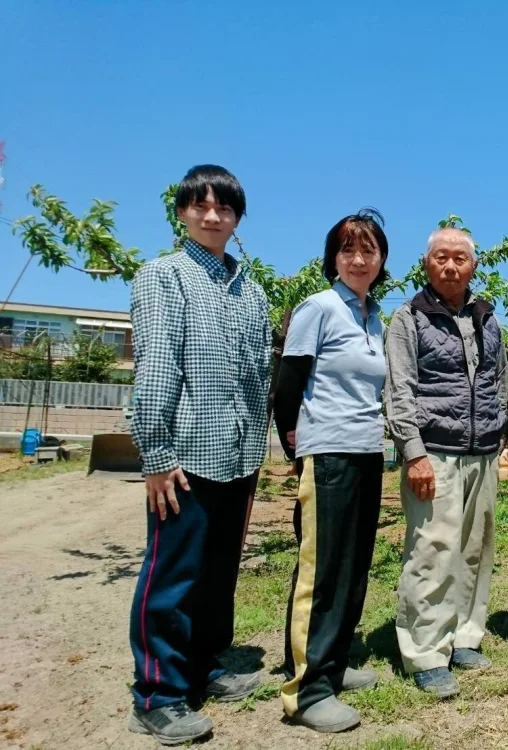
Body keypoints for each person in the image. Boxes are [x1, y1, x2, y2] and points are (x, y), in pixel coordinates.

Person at [128, 165, 271, 745]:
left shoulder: (251, 289)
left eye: (225, 208)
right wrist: (156, 453)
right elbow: (157, 364)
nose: (212, 216)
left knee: (218, 571)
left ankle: (206, 663)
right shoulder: (163, 277)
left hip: (237, 455)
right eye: (201, 205)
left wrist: (259, 447)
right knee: (172, 574)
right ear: (182, 211)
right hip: (184, 456)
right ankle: (158, 692)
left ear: (237, 218)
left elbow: (259, 372)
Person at [274, 209, 390, 733]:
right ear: (333, 258)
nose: (359, 259)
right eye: (348, 250)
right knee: (321, 569)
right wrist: (299, 450)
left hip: (367, 453)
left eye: (368, 250)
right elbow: (287, 388)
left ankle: (334, 663)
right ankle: (307, 689)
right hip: (328, 453)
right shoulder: (317, 308)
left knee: (352, 563)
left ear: (382, 258)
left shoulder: (374, 316)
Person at [385, 227, 508, 699]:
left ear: (473, 266)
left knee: (474, 548)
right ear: (426, 263)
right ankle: (425, 650)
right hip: (433, 451)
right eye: (441, 257)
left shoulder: (486, 317)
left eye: (460, 258)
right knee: (432, 549)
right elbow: (400, 391)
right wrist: (413, 453)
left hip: (482, 451)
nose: (451, 266)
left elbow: (498, 379)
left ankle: (464, 636)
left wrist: (498, 436)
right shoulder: (408, 317)